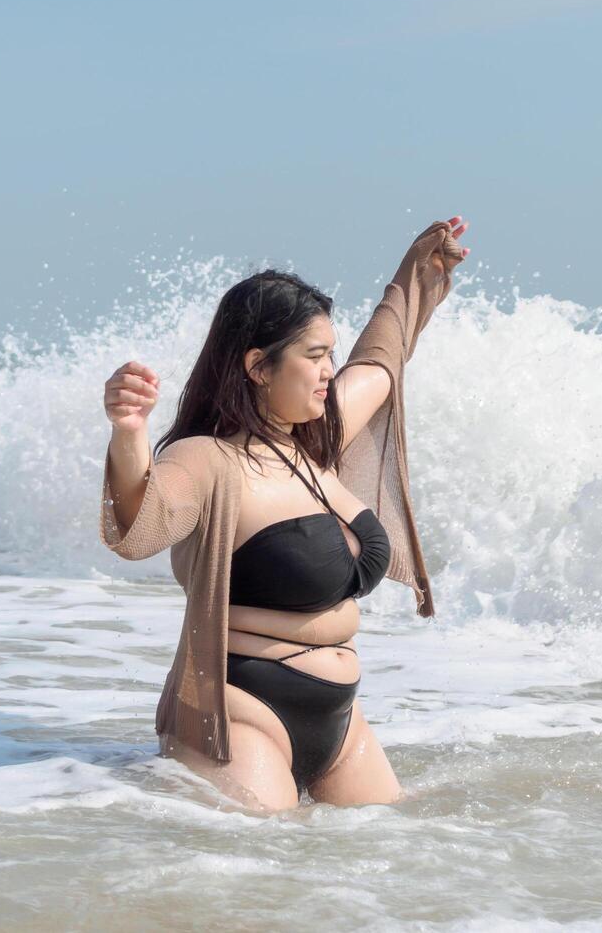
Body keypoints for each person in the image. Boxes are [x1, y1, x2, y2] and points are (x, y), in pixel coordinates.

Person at [100, 216, 470, 811]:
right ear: (258, 366)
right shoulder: (207, 461)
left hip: (339, 721)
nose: (330, 370)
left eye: (330, 355)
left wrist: (418, 276)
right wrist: (129, 432)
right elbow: (140, 527)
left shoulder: (316, 445)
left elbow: (381, 361)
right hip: (240, 713)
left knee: (398, 854)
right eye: (315, 356)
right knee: (259, 872)